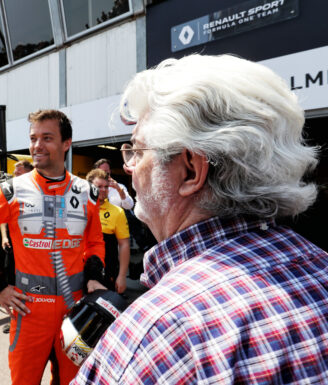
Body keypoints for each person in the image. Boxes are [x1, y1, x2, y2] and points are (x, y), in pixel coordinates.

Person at [72, 54, 328, 384]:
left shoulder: (157, 331)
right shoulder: (319, 264)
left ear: (191, 169)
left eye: (136, 150)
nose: (129, 166)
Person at [0, 109, 106, 385]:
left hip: (76, 309)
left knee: (75, 382)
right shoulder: (12, 189)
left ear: (66, 143)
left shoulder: (87, 192)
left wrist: (94, 274)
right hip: (29, 311)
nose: (37, 146)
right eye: (33, 138)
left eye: (47, 138)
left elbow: (95, 241)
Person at [85, 168, 130, 293]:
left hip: (107, 272)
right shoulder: (79, 208)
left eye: (106, 187)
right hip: (79, 270)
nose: (103, 190)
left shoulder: (117, 211)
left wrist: (121, 276)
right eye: (99, 186)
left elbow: (124, 245)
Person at [0, 159, 34, 250]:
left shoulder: (39, 190)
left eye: (19, 172)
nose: (15, 174)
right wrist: (4, 237)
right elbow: (3, 217)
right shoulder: (10, 191)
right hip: (15, 241)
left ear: (30, 172)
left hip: (35, 242)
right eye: (15, 173)